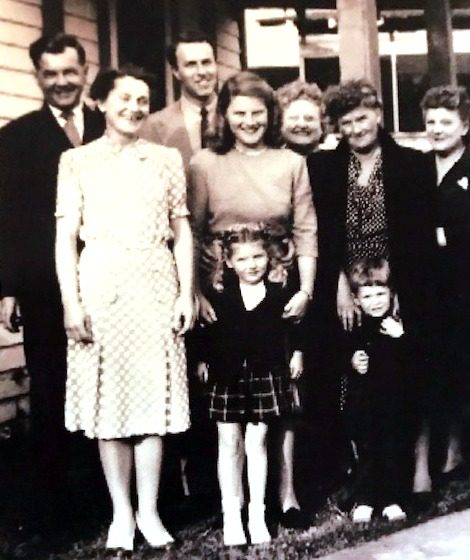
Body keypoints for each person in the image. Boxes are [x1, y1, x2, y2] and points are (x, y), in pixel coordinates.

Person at [55, 65, 195, 553]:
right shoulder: (76, 161)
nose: (135, 108)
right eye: (125, 99)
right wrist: (72, 302)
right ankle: (121, 514)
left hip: (155, 284)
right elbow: (64, 239)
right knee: (110, 401)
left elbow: (181, 231)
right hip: (102, 287)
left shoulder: (165, 160)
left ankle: (151, 511)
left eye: (143, 99)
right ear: (100, 103)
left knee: (152, 399)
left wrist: (185, 292)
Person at [189, 71, 317, 527]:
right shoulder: (205, 163)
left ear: (270, 115)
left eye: (257, 113)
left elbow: (306, 229)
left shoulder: (289, 163)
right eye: (239, 113)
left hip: (277, 281)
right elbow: (193, 230)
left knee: (278, 391)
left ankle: (284, 494)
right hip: (221, 289)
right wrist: (195, 292)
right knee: (226, 391)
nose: (248, 121)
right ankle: (229, 505)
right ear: (225, 115)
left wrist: (305, 289)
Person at [309, 79, 437, 506]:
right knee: (358, 383)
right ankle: (364, 478)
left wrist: (396, 290)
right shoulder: (325, 168)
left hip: (401, 287)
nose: (356, 128)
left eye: (362, 118)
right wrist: (342, 288)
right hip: (347, 288)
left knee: (407, 378)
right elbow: (325, 237)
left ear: (378, 115)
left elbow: (418, 237)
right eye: (347, 122)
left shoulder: (412, 164)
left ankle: (417, 475)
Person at [0, 33, 104, 532]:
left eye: (70, 71)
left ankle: (111, 498)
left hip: (112, 281)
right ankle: (59, 507)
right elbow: (7, 217)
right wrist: (7, 287)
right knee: (53, 389)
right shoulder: (17, 138)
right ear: (38, 77)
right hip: (46, 289)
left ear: (85, 71)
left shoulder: (113, 126)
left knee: (109, 385)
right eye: (51, 73)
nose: (62, 82)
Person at [197, 224, 304, 545]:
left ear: (269, 257)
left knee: (257, 443)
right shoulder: (219, 295)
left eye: (258, 256)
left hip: (265, 374)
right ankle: (233, 515)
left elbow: (295, 327)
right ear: (229, 262)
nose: (252, 264)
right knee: (229, 443)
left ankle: (257, 515)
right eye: (243, 259)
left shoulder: (278, 293)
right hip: (227, 376)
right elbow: (206, 332)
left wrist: (297, 353)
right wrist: (202, 360)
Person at [421, 85, 470, 486]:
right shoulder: (418, 168)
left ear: (464, 125)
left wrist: (444, 235)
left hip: (464, 283)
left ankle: (458, 452)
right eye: (431, 122)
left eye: (446, 122)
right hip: (429, 287)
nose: (437, 129)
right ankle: (448, 451)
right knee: (439, 367)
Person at [344, 258, 408, 524]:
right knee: (367, 450)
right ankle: (366, 498)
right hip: (365, 403)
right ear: (357, 300)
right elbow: (340, 357)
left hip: (394, 402)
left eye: (380, 293)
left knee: (392, 448)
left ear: (391, 294)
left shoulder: (397, 325)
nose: (375, 301)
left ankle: (391, 499)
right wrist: (352, 362)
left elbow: (415, 362)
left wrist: (401, 337)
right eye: (367, 296)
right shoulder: (356, 329)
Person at [140, 29, 218, 173]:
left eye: (206, 63)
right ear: (176, 72)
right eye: (191, 65)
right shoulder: (154, 126)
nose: (201, 72)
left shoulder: (240, 118)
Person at [277, 79, 324, 156]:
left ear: (322, 123)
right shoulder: (270, 162)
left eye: (309, 119)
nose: (302, 124)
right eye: (294, 118)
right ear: (280, 123)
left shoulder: (335, 163)